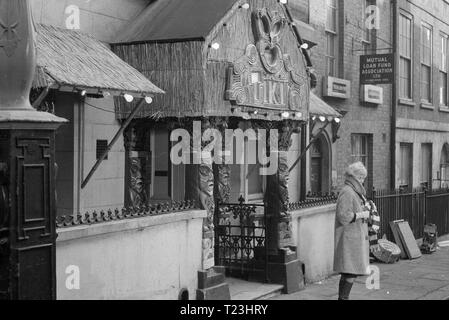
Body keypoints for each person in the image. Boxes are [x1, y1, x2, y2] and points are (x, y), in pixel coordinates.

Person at [334, 162, 373, 300]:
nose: (362, 180)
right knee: (350, 272)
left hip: (354, 237)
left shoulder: (353, 191)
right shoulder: (347, 191)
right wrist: (361, 215)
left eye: (363, 177)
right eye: (361, 177)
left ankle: (343, 298)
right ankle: (343, 298)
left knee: (350, 272)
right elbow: (343, 216)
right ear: (354, 176)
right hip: (349, 238)